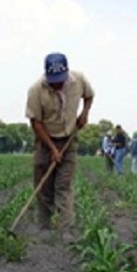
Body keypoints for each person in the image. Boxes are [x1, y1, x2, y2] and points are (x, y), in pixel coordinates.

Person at [25, 52, 94, 235]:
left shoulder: (78, 79)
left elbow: (89, 95)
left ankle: (65, 230)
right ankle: (44, 227)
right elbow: (35, 123)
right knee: (44, 185)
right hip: (44, 140)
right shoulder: (36, 90)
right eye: (53, 80)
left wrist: (84, 113)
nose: (57, 84)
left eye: (60, 80)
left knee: (63, 185)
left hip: (69, 139)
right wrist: (52, 149)